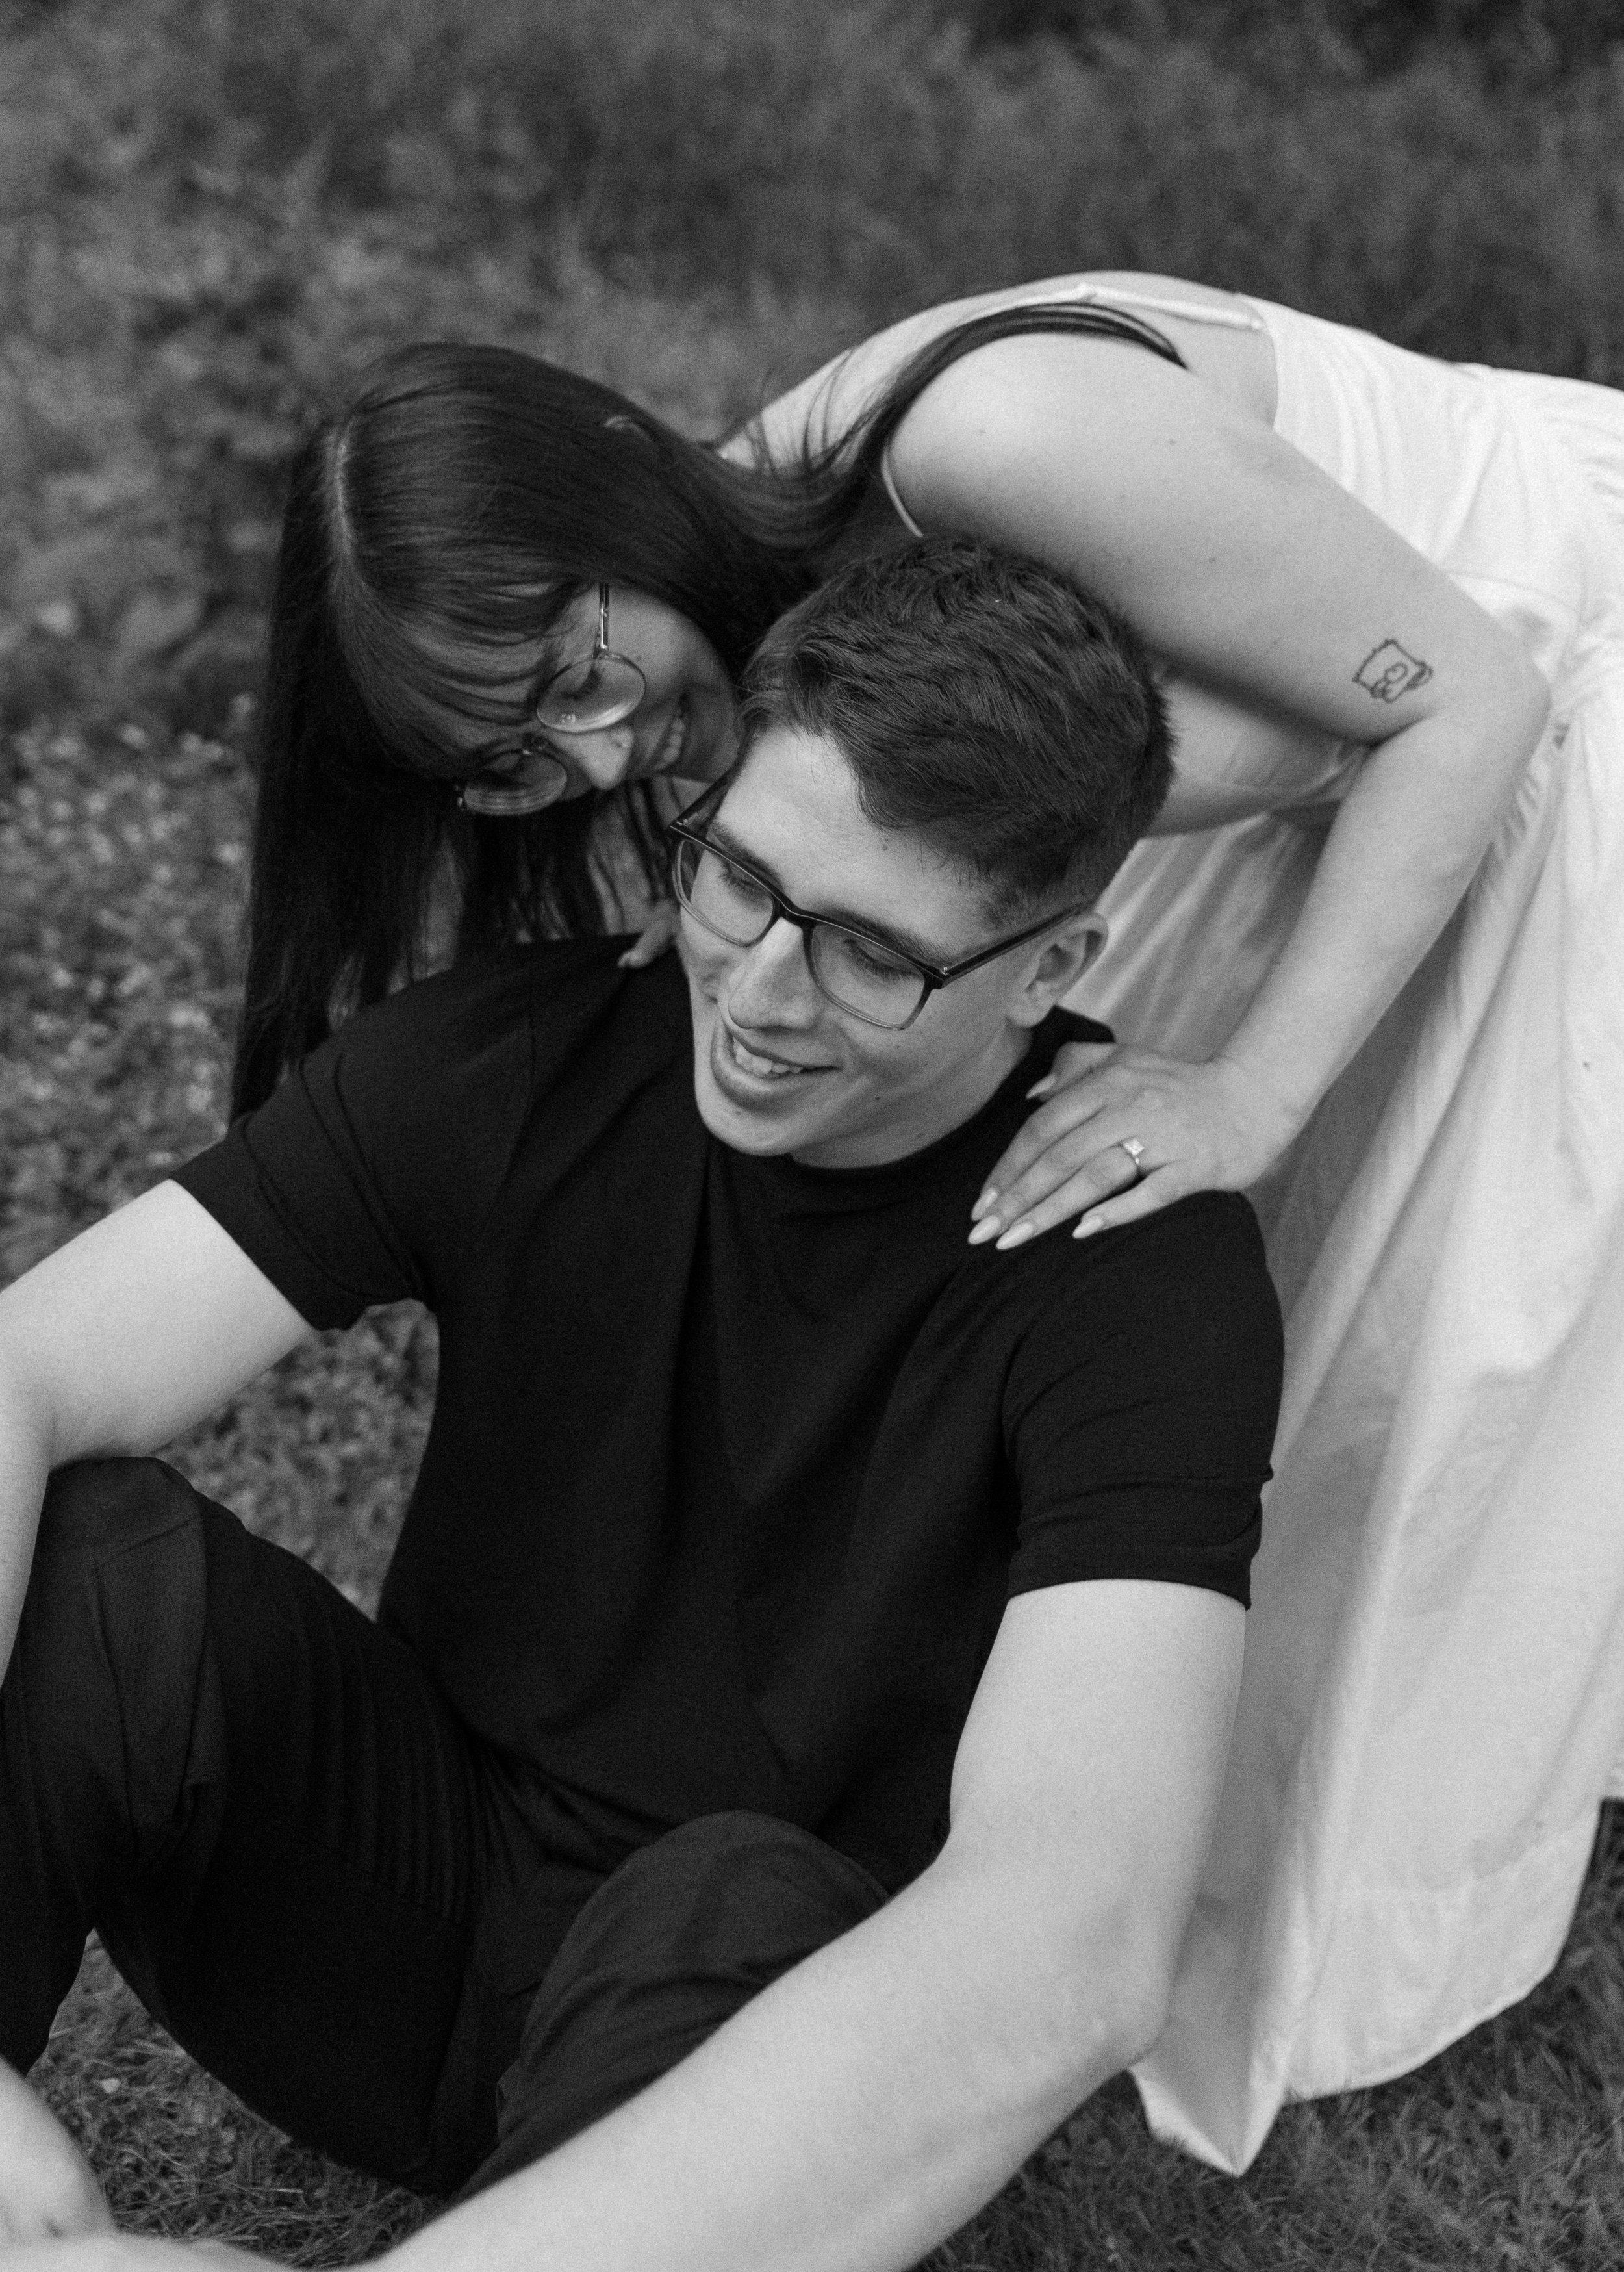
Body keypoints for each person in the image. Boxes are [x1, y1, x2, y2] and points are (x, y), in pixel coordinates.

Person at [235, 269, 1622, 2166]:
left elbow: (1468, 696)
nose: (592, 763)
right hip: (1339, 715)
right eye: (508, 764)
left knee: (1416, 1349)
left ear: (615, 489)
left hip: (1539, 698)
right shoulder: (740, 633)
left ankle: (1305, 1885)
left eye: (574, 680)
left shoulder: (999, 441)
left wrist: (1251, 1093)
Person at [0, 541, 1282, 2265]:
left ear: (1048, 969)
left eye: (872, 956)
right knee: (92, 1553)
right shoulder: (521, 1061)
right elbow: (25, 1367)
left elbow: (1078, 1929)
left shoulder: (1133, 1269)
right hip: (397, 1908)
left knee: (737, 1883)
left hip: (743, 2060)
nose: (758, 993)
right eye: (740, 878)